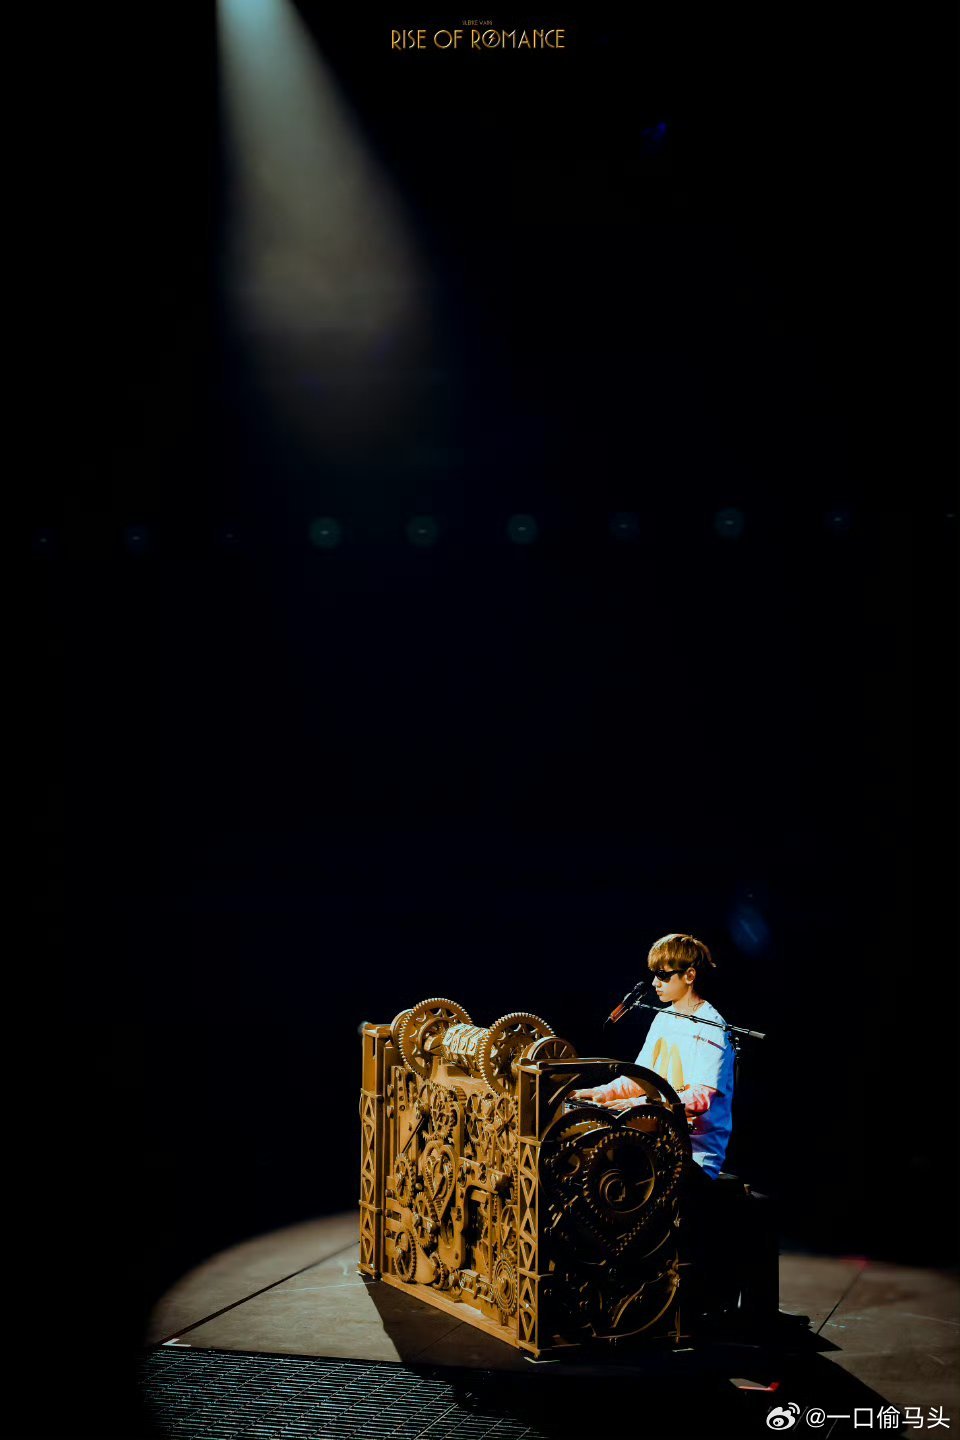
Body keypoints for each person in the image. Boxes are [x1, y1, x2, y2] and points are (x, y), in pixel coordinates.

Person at [571, 933, 734, 1179]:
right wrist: (600, 1093)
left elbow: (700, 1099)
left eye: (663, 975)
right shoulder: (663, 1018)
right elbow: (642, 1078)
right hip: (656, 1141)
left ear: (689, 976)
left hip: (694, 1155)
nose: (655, 983)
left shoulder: (712, 1027)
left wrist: (638, 1106)